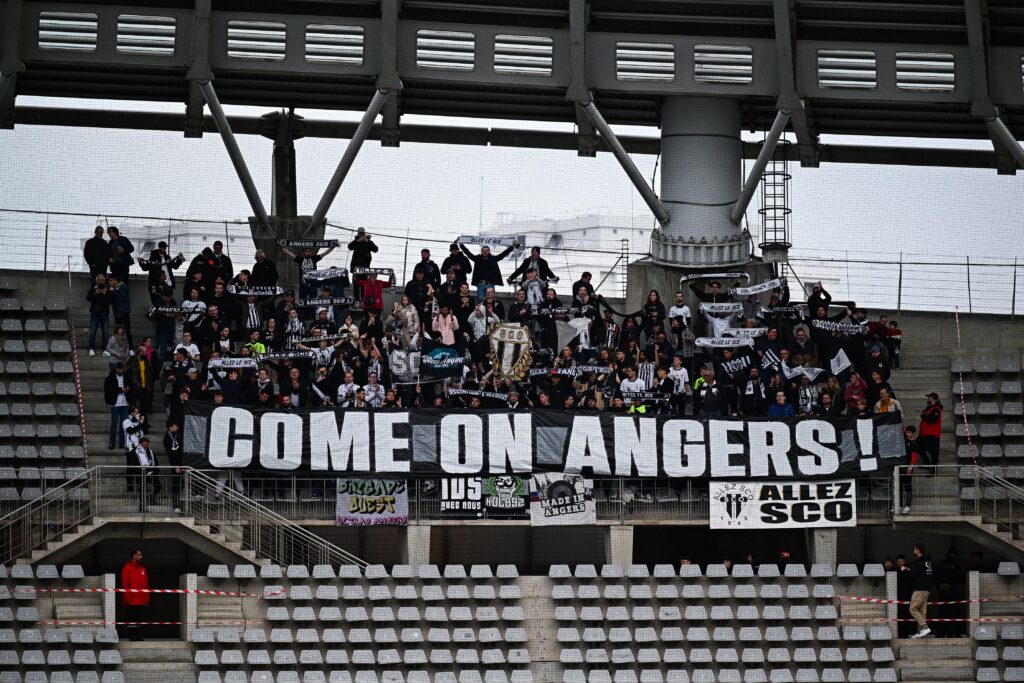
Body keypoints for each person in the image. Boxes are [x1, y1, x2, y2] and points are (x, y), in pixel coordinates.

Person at [119, 549, 150, 641]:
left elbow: (146, 585)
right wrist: (127, 599)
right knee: (131, 619)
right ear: (134, 555)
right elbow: (124, 585)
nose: (141, 556)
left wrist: (146, 598)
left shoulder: (142, 569)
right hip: (131, 600)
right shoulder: (127, 568)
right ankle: (131, 637)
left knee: (138, 619)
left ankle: (137, 636)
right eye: (139, 555)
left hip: (141, 600)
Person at [905, 543, 933, 638]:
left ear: (918, 550)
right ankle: (921, 632)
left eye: (914, 549)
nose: (913, 551)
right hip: (926, 589)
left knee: (912, 609)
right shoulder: (928, 562)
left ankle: (925, 627)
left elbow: (914, 572)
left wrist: (906, 569)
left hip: (920, 589)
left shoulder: (921, 561)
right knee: (922, 612)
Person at [104, 362, 133, 451]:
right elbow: (109, 389)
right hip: (115, 404)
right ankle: (112, 443)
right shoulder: (110, 378)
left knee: (123, 425)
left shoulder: (127, 376)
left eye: (122, 369)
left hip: (125, 404)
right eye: (119, 369)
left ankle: (122, 443)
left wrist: (128, 388)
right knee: (114, 424)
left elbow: (131, 385)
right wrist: (120, 390)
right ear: (116, 369)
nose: (121, 370)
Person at [134, 436, 162, 512]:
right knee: (142, 490)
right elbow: (135, 463)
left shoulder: (150, 451)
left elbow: (155, 461)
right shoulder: (136, 451)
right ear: (141, 444)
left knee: (158, 486)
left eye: (147, 443)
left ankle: (152, 499)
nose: (146, 445)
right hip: (142, 473)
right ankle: (142, 507)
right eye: (144, 443)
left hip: (151, 473)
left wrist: (154, 471)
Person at [86, 273, 112, 357]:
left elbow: (112, 300)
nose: (100, 281)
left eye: (102, 280)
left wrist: (107, 293)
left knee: (105, 333)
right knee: (92, 332)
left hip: (104, 314)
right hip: (95, 314)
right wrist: (95, 293)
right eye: (99, 280)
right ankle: (91, 349)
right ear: (96, 280)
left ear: (104, 281)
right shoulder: (93, 289)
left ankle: (104, 350)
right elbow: (88, 298)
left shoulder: (107, 289)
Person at [900, 425, 923, 515]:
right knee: (899, 487)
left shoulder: (914, 443)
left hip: (908, 468)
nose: (907, 434)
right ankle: (899, 505)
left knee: (907, 486)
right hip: (900, 467)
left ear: (913, 433)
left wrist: (911, 467)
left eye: (909, 432)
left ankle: (908, 505)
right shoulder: (904, 441)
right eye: (907, 432)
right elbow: (901, 428)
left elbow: (914, 456)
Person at [164, 422, 184, 514]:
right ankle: (176, 505)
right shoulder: (167, 438)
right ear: (170, 427)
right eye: (174, 426)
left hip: (182, 463)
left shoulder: (179, 435)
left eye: (177, 426)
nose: (176, 428)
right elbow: (171, 455)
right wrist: (176, 466)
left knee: (182, 484)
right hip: (175, 465)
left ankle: (180, 504)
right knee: (176, 485)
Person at [918, 393, 943, 467]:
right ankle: (927, 463)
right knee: (918, 447)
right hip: (924, 433)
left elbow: (932, 420)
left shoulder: (936, 408)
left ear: (932, 398)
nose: (928, 399)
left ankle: (934, 470)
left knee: (934, 453)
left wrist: (923, 416)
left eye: (929, 397)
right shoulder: (929, 408)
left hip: (932, 434)